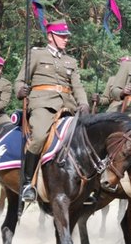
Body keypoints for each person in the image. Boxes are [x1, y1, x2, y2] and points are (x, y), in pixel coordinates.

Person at [15, 19, 89, 203]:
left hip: (67, 106)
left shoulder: (70, 61)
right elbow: (20, 80)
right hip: (42, 104)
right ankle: (27, 184)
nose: (66, 39)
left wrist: (84, 103)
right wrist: (20, 90)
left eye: (66, 37)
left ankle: (88, 187)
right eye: (62, 36)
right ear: (50, 36)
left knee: (84, 140)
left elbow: (77, 86)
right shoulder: (37, 55)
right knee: (39, 136)